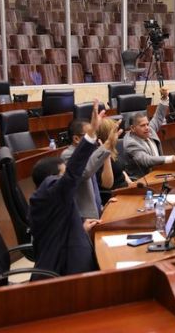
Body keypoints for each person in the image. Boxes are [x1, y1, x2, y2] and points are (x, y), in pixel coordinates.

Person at [29, 100, 117, 279]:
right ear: (51, 181)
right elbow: (75, 173)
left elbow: (61, 227)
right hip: (68, 275)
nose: (67, 180)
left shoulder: (49, 200)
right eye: (63, 175)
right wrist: (93, 135)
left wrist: (81, 225)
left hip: (74, 259)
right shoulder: (50, 193)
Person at [123, 88, 175, 180]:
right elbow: (147, 160)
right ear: (133, 128)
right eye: (142, 125)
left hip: (158, 173)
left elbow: (158, 117)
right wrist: (171, 158)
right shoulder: (130, 143)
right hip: (141, 181)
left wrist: (164, 98)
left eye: (147, 124)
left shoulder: (149, 130)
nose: (147, 127)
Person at [61, 118, 113, 219]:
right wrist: (106, 146)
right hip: (82, 218)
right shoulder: (67, 156)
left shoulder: (88, 153)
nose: (94, 138)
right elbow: (85, 173)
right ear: (76, 139)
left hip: (96, 212)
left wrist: (101, 207)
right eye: (90, 135)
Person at [96, 117, 134, 195]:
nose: (117, 135)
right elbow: (107, 185)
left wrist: (131, 184)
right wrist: (106, 155)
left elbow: (121, 171)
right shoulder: (98, 155)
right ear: (107, 135)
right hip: (115, 195)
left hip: (126, 190)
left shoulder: (113, 149)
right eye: (114, 133)